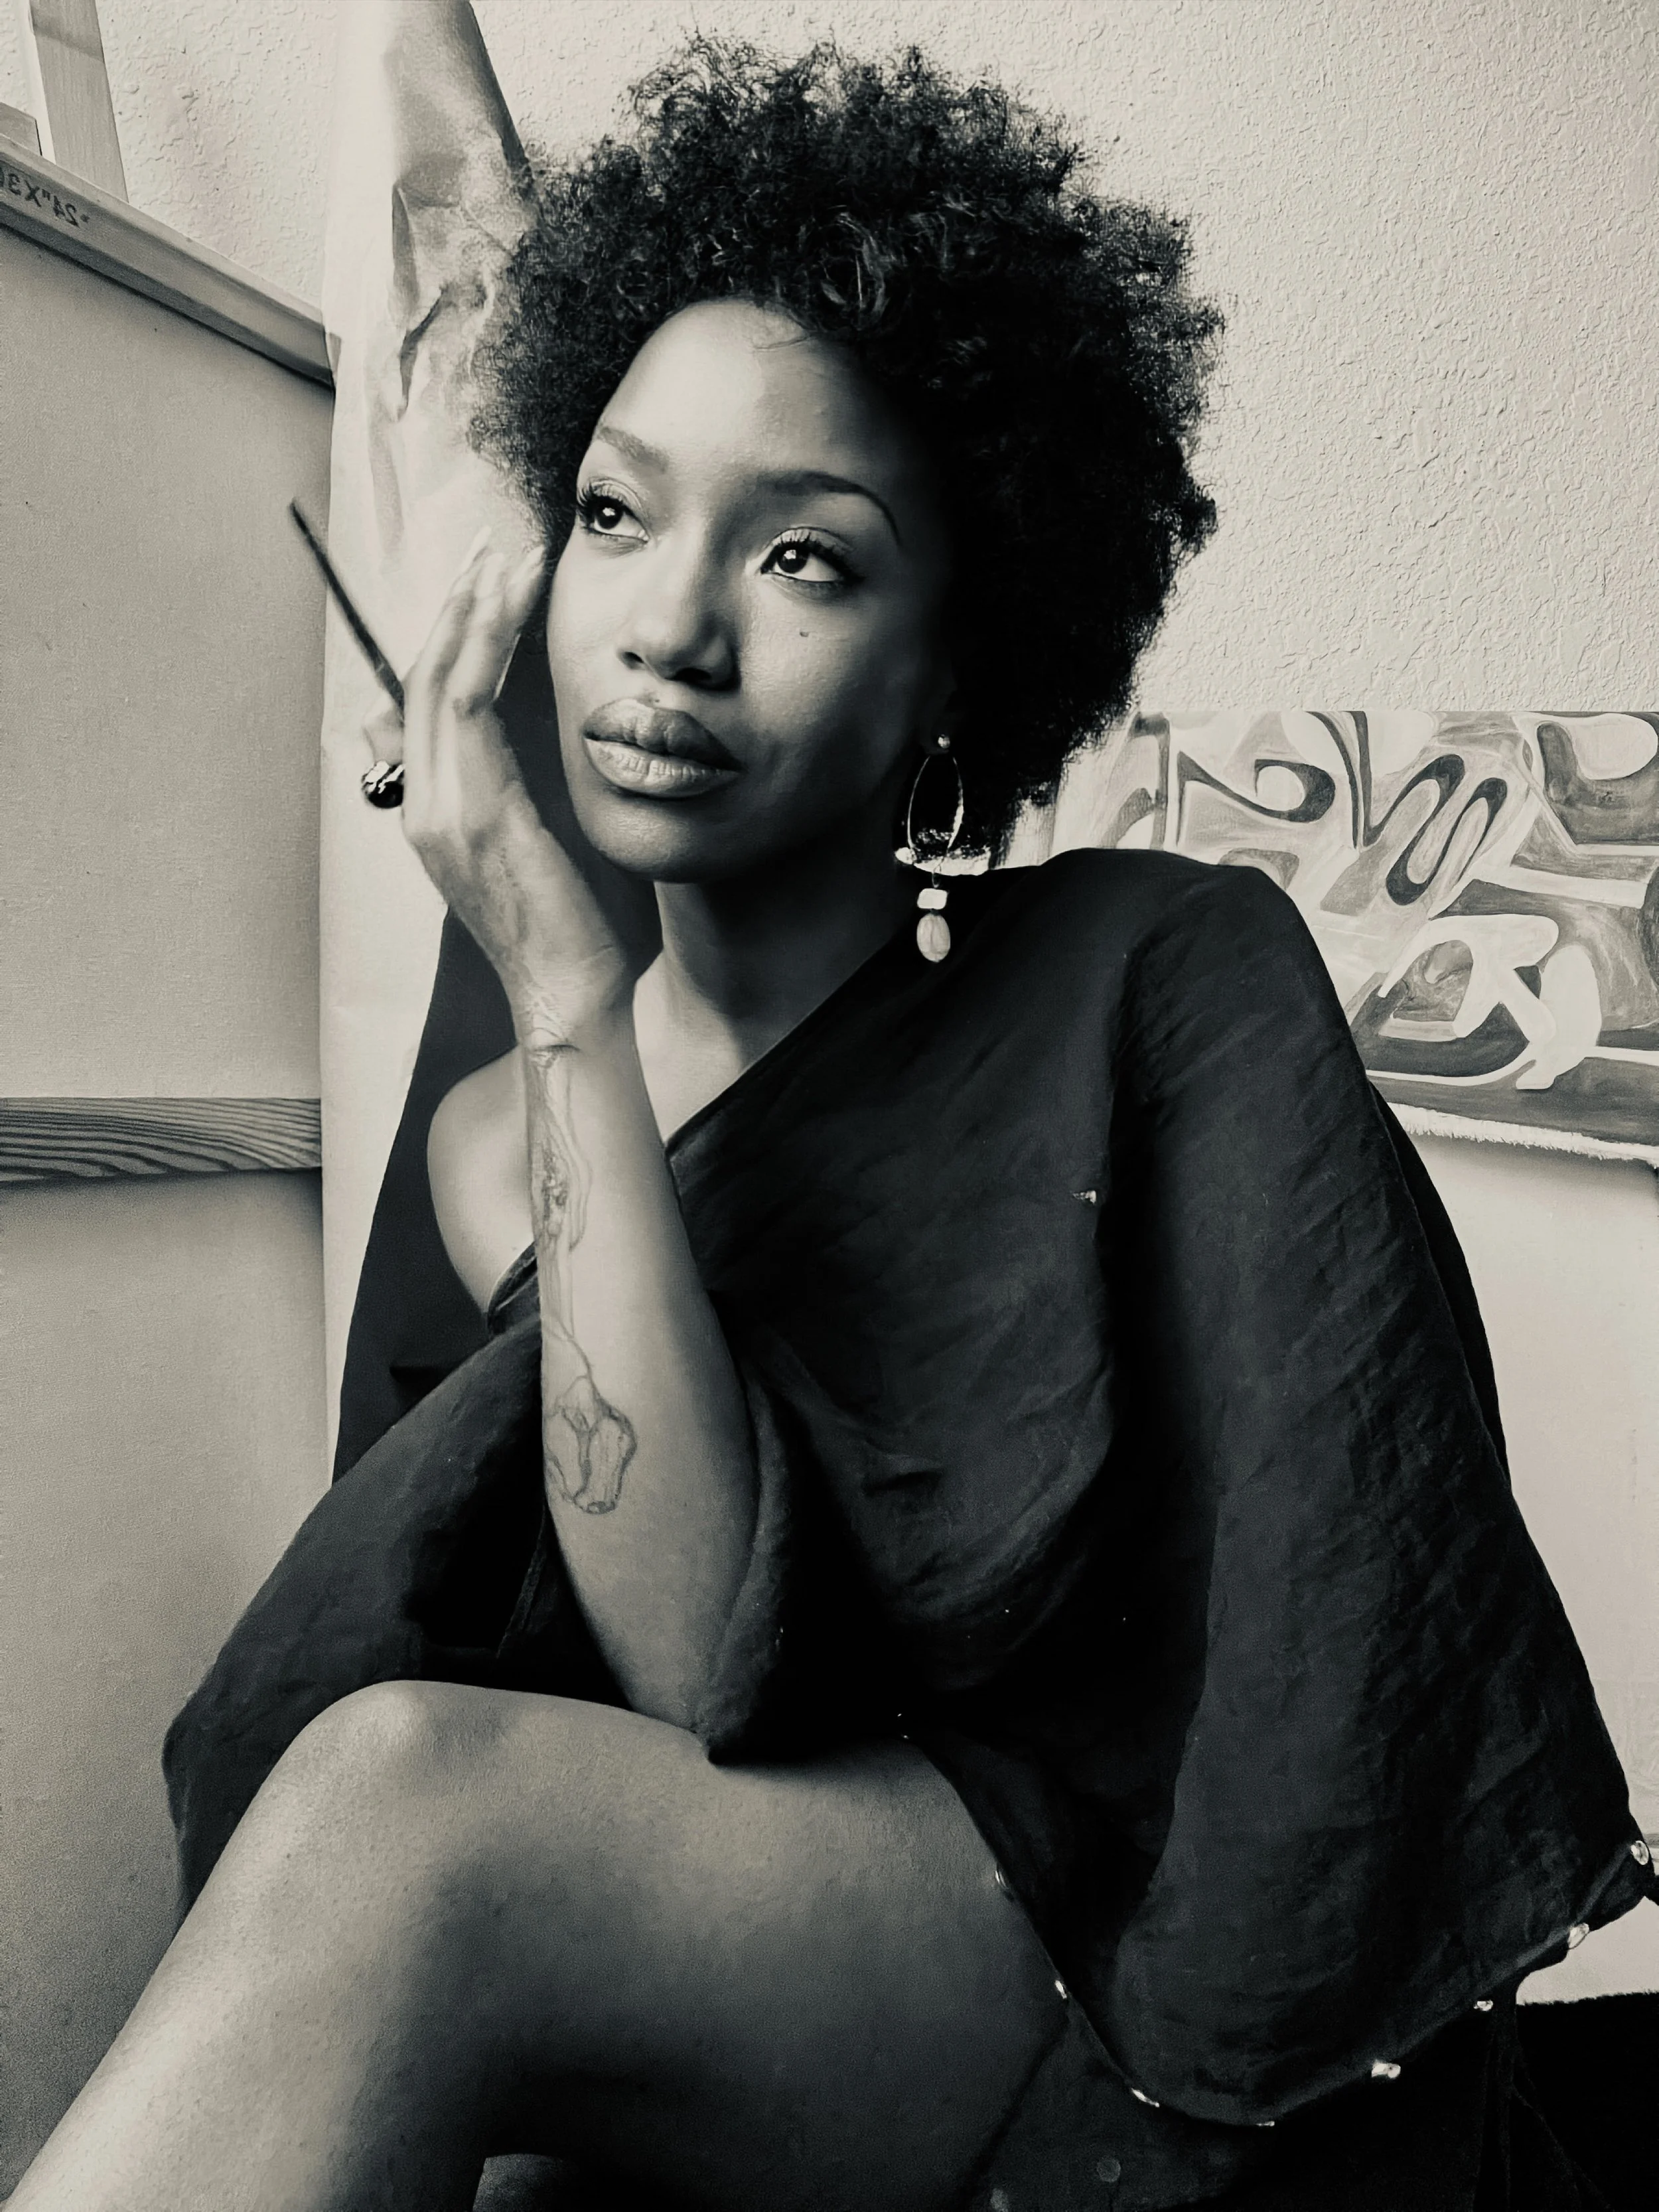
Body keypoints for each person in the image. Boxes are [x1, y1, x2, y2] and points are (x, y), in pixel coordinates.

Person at [13, 40, 1653, 2212]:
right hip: (746, 1924)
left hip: (1077, 1918)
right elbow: (661, 1696)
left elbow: (737, 1663)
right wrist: (569, 1013)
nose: (668, 627)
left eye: (803, 558)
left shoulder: (1163, 969)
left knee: (410, 1810)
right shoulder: (493, 1136)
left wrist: (567, 982)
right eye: (612, 511)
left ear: (962, 667)